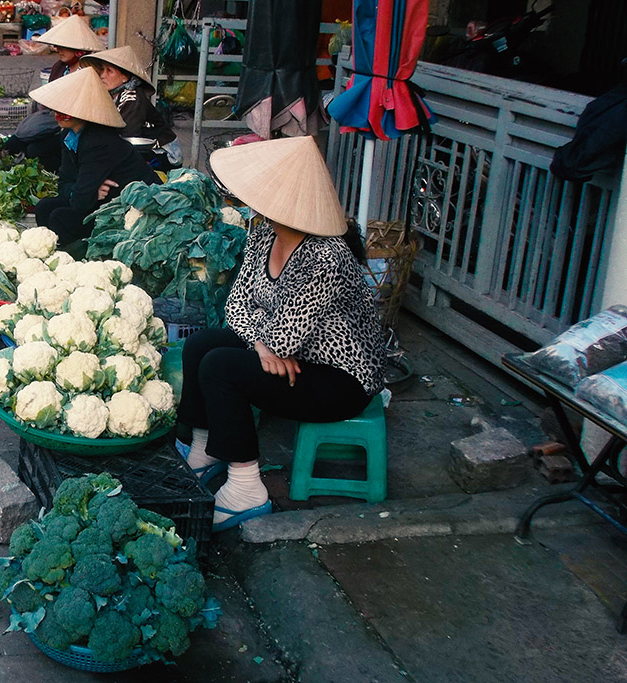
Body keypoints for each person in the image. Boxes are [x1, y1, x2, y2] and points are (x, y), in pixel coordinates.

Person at [176, 136, 385, 532]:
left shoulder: (327, 256)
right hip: (288, 357)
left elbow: (287, 338)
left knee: (222, 366)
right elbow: (236, 307)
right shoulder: (262, 234)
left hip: (340, 380)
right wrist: (261, 342)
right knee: (203, 344)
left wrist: (267, 340)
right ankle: (205, 451)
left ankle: (245, 489)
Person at [28, 67, 160, 250]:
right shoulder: (68, 134)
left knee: (59, 217)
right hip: (98, 201)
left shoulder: (98, 141)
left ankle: (78, 257)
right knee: (45, 206)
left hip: (126, 209)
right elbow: (64, 182)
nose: (57, 114)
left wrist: (82, 193)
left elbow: (80, 202)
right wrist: (87, 191)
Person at [5, 15, 106, 173]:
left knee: (36, 150)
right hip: (54, 121)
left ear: (78, 49)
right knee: (13, 143)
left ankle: (60, 179)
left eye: (63, 46)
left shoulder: (91, 70)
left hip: (76, 127)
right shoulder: (59, 67)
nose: (57, 50)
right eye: (57, 46)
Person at [80, 45, 181, 172]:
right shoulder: (113, 95)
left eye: (109, 71)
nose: (102, 75)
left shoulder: (132, 99)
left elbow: (127, 136)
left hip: (163, 154)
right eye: (102, 70)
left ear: (124, 77)